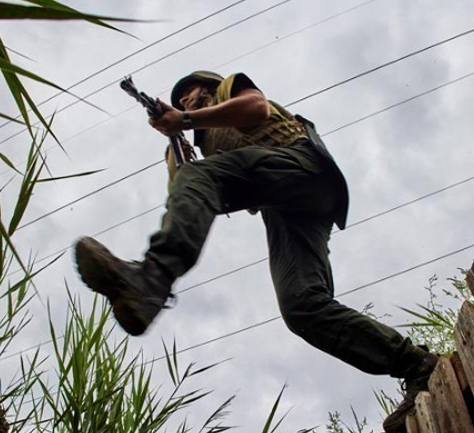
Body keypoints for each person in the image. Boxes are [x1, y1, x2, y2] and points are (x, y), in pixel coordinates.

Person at [74, 71, 438, 432]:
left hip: (303, 167)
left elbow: (257, 109)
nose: (187, 100)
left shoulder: (230, 91)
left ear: (212, 87)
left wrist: (184, 119)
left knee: (200, 178)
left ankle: (152, 279)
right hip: (288, 208)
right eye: (181, 100)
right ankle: (417, 366)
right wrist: (177, 145)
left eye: (193, 93)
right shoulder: (201, 144)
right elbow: (186, 192)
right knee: (302, 307)